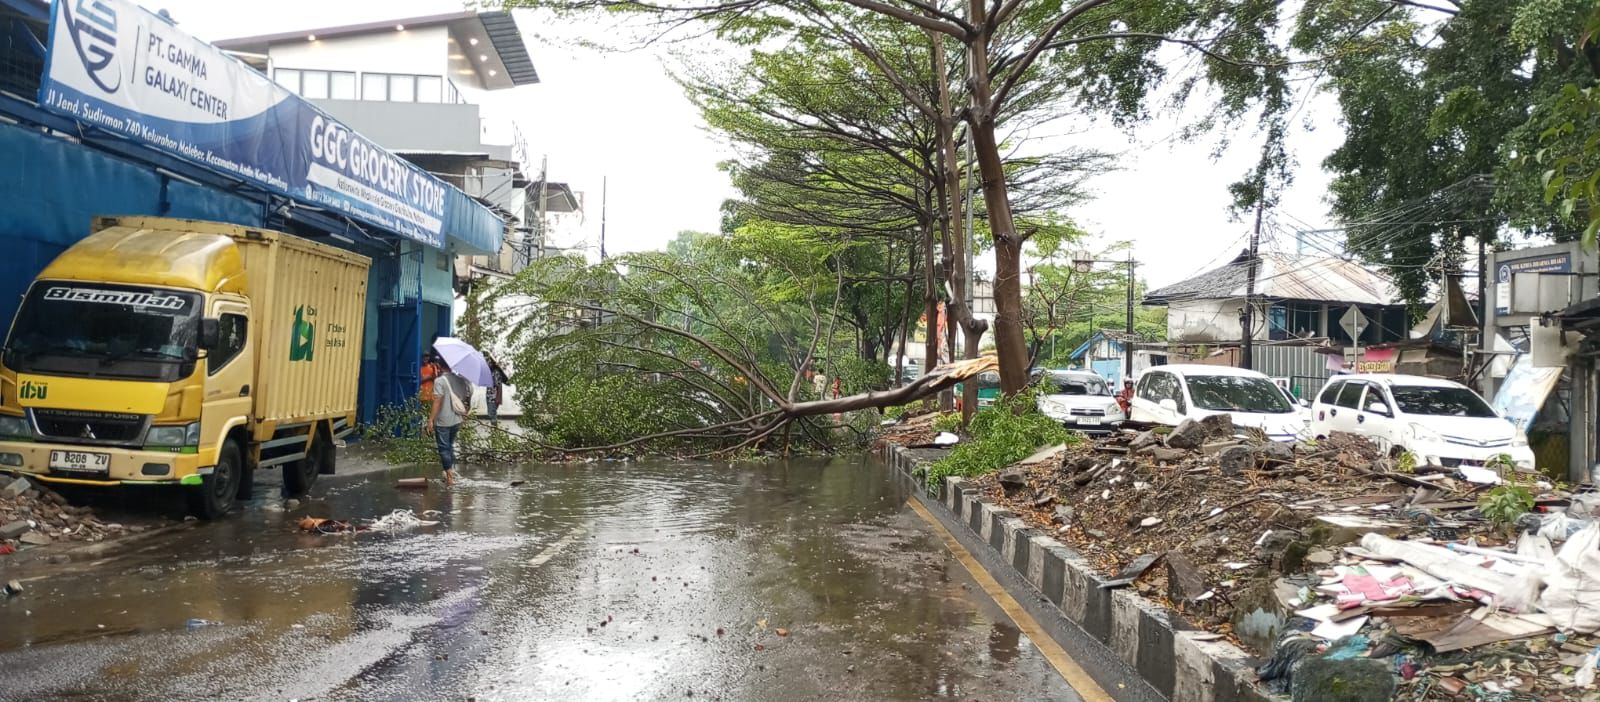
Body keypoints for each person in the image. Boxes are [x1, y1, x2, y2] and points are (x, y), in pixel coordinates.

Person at [425, 359, 470, 486]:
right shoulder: (460, 379)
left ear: (439, 366)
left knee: (444, 449)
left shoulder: (439, 381)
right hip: (457, 419)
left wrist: (430, 420)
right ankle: (450, 471)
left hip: (443, 421)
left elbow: (437, 401)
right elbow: (465, 397)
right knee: (450, 446)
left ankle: (450, 478)